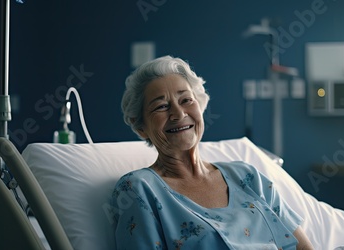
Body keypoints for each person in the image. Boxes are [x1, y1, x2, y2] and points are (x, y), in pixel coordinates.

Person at [111, 55, 314, 249]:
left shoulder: (247, 176)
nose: (179, 114)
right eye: (161, 106)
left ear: (200, 106)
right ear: (141, 127)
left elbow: (303, 247)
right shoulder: (139, 189)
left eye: (186, 100)